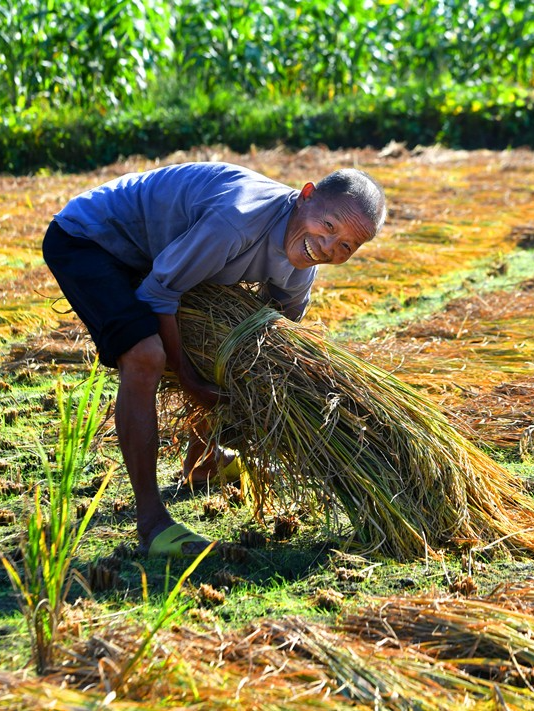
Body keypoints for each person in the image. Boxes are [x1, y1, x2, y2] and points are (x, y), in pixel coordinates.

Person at [42, 162, 387, 556]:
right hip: (91, 238)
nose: (328, 247)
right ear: (305, 196)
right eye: (328, 225)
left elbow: (267, 345)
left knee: (226, 351)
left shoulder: (298, 271)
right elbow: (160, 292)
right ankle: (152, 523)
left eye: (345, 246)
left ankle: (204, 463)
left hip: (160, 251)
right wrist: (188, 379)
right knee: (146, 355)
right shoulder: (238, 221)